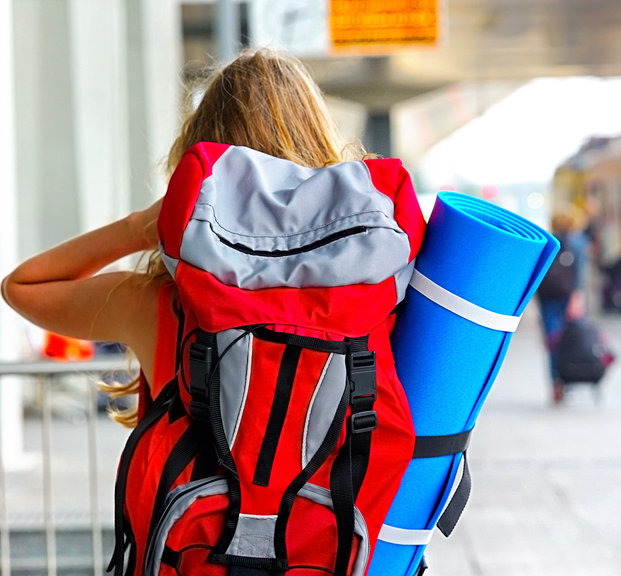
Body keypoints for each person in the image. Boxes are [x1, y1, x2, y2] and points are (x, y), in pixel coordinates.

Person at [1, 48, 369, 425]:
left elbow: (22, 286)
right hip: (331, 487)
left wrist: (142, 225)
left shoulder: (155, 304)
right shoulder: (373, 292)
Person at [536, 209, 590, 404]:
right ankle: (569, 378)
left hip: (548, 298)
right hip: (570, 297)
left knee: (553, 340)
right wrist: (578, 296)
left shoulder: (547, 242)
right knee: (571, 340)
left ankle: (556, 383)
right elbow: (582, 273)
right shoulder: (578, 242)